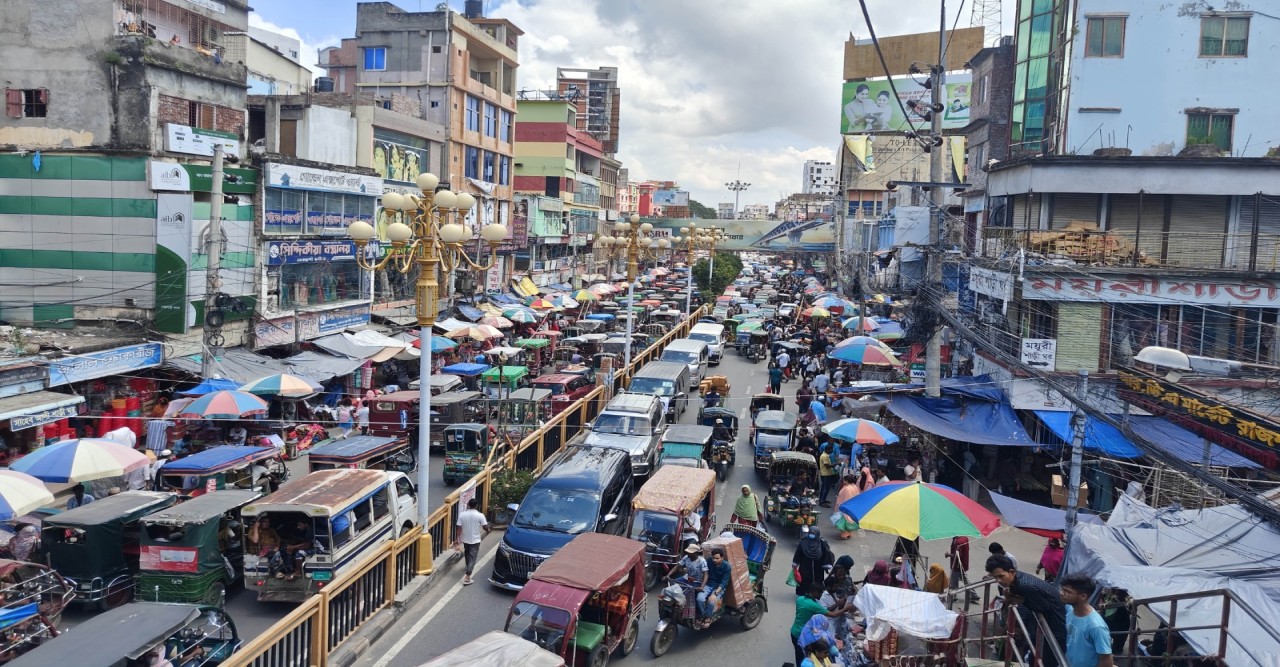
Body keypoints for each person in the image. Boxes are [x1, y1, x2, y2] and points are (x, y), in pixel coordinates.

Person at [986, 555, 1067, 667]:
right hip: (1040, 625)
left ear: (1012, 572)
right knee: (1034, 656)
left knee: (1046, 661)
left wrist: (1020, 600)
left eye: (1001, 576)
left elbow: (1044, 607)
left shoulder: (1024, 585)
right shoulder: (1017, 580)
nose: (999, 581)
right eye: (995, 578)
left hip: (1054, 628)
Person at [1060, 573, 1115, 667]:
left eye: (1067, 591)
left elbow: (1107, 662)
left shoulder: (1096, 626)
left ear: (1083, 596)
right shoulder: (1070, 609)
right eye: (1062, 589)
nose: (1062, 593)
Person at [791, 582, 844, 667]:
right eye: (820, 593)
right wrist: (846, 608)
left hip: (794, 631)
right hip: (803, 634)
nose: (821, 595)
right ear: (815, 592)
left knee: (799, 654)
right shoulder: (814, 605)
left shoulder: (800, 599)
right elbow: (833, 615)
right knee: (805, 658)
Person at [453, 497, 490, 585]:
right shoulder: (480, 515)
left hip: (465, 538)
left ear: (468, 505)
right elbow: (485, 527)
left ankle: (467, 567)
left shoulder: (462, 515)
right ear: (477, 506)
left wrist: (457, 538)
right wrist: (488, 530)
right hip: (475, 539)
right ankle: (467, 576)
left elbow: (458, 527)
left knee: (467, 553)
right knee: (473, 557)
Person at [792, 528, 834, 595]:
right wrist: (795, 565)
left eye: (813, 533)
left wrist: (826, 564)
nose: (812, 535)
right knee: (805, 581)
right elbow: (798, 554)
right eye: (810, 533)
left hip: (818, 568)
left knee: (818, 581)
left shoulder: (822, 543)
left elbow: (827, 554)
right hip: (805, 567)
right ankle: (804, 594)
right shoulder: (803, 542)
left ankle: (817, 594)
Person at [700, 548, 731, 618]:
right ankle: (703, 614)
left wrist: (715, 593)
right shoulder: (709, 560)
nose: (714, 560)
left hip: (718, 587)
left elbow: (724, 583)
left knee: (711, 601)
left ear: (722, 558)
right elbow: (704, 572)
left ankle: (708, 617)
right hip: (709, 584)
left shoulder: (727, 566)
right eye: (713, 558)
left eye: (717, 558)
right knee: (699, 598)